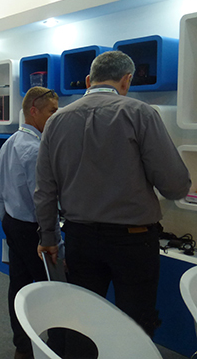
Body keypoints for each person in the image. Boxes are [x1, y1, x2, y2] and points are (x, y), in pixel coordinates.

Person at [35, 51, 191, 338]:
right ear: (126, 80)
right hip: (133, 242)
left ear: (88, 80)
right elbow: (174, 185)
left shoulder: (56, 121)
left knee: (81, 322)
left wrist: (48, 237)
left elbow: (44, 189)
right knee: (135, 326)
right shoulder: (140, 113)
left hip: (79, 238)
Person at [0, 87, 59, 359]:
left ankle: (22, 347)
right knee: (52, 290)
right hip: (34, 231)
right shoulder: (35, 150)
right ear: (34, 111)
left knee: (19, 287)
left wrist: (8, 224)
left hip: (13, 224)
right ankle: (55, 348)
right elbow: (42, 200)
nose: (55, 117)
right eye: (51, 111)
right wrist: (51, 237)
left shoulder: (9, 143)